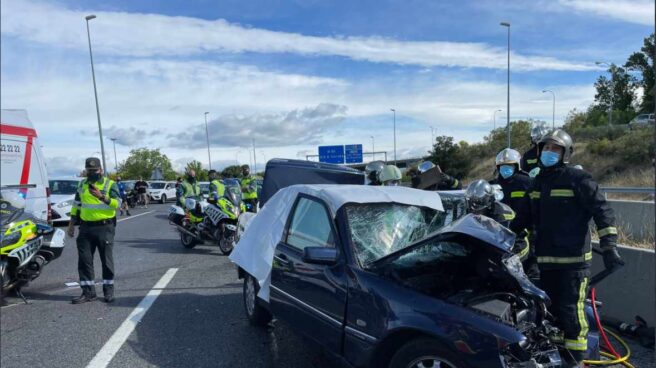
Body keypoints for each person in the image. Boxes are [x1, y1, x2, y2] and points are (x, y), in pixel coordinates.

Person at [511, 129, 623, 367]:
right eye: (546, 148)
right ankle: (557, 357)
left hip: (573, 263)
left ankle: (576, 360)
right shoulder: (537, 183)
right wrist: (505, 238)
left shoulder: (578, 179)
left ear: (565, 153)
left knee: (572, 313)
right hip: (545, 263)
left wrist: (610, 245)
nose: (549, 152)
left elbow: (602, 211)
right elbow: (520, 219)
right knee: (549, 315)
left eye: (555, 149)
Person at [66, 158, 121, 304]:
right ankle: (88, 293)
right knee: (84, 262)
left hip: (105, 227)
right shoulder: (82, 184)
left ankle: (108, 291)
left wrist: (102, 197)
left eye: (95, 171)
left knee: (106, 261)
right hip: (85, 228)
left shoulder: (110, 184)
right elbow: (76, 205)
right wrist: (71, 224)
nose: (92, 173)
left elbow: (118, 204)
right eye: (89, 171)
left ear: (101, 170)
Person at [489, 148, 531, 262]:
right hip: (499, 233)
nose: (505, 169)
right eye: (502, 166)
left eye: (509, 165)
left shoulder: (527, 182)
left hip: (524, 234)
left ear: (517, 166)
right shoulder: (493, 185)